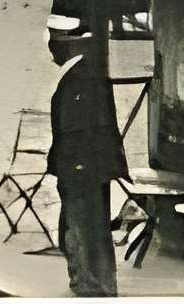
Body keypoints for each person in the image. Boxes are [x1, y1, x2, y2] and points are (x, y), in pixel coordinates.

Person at [47, 16, 126, 296]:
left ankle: (90, 285)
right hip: (89, 166)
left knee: (81, 226)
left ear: (66, 44)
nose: (50, 47)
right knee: (93, 225)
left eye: (54, 40)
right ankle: (100, 283)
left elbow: (80, 130)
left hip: (80, 167)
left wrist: (74, 165)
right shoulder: (85, 74)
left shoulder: (79, 80)